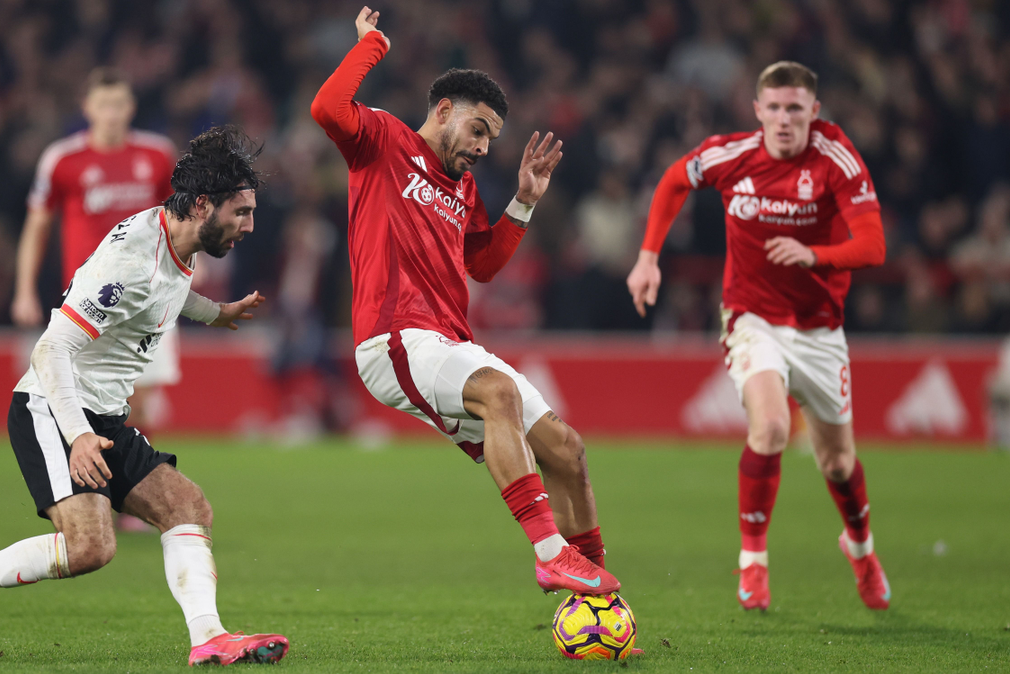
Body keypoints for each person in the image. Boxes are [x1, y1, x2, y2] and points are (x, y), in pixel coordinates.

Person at [0, 127, 288, 666]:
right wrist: (78, 435)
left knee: (187, 507)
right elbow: (50, 350)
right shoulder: (131, 262)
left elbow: (167, 289)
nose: (249, 226)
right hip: (53, 406)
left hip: (104, 415)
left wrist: (215, 312)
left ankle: (209, 638)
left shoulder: (175, 238)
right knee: (90, 547)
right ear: (203, 205)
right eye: (241, 212)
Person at [311, 7, 619, 597]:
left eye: (491, 139)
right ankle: (550, 555)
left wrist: (524, 202)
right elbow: (327, 108)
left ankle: (602, 599)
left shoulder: (465, 187)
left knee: (567, 451)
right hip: (394, 337)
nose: (482, 147)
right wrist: (372, 46)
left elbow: (482, 265)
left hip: (450, 341)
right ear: (444, 110)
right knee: (499, 394)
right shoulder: (383, 140)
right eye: (478, 130)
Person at [626, 62, 890, 611]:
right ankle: (753, 562)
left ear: (814, 111)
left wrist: (813, 254)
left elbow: (873, 246)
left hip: (818, 328)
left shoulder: (835, 158)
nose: (784, 119)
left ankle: (861, 550)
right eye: (774, 108)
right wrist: (648, 257)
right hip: (752, 317)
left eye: (795, 108)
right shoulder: (731, 155)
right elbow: (674, 180)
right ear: (758, 111)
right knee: (770, 428)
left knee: (838, 464)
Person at [12, 70, 181, 529]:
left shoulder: (156, 155)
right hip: (91, 301)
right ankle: (93, 491)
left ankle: (130, 496)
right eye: (103, 104)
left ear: (131, 108)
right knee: (90, 399)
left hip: (149, 294)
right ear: (87, 108)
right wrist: (24, 288)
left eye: (119, 104)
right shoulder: (62, 160)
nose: (112, 114)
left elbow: (180, 220)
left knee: (140, 401)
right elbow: (38, 224)